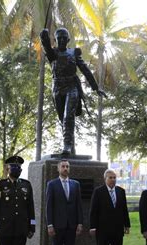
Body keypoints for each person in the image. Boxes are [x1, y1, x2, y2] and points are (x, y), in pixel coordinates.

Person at [40, 27, 107, 155]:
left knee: (68, 117)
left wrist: (95, 87)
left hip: (72, 87)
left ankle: (67, 146)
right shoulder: (53, 54)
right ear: (55, 39)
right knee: (62, 119)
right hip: (58, 89)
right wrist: (44, 37)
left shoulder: (74, 53)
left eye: (64, 38)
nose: (62, 40)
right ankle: (71, 146)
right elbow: (46, 47)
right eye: (59, 38)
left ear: (68, 40)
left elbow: (85, 70)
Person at [46, 159, 83, 245]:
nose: (65, 168)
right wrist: (50, 224)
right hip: (57, 226)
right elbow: (49, 206)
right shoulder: (52, 184)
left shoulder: (75, 185)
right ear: (58, 169)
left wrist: (79, 223)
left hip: (71, 226)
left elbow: (79, 205)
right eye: (63, 166)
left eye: (67, 166)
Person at [89, 169, 131, 245]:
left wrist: (127, 225)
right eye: (110, 177)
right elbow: (93, 210)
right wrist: (93, 227)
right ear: (105, 179)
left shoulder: (120, 191)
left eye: (114, 177)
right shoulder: (98, 192)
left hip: (117, 230)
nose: (113, 180)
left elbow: (124, 209)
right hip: (102, 230)